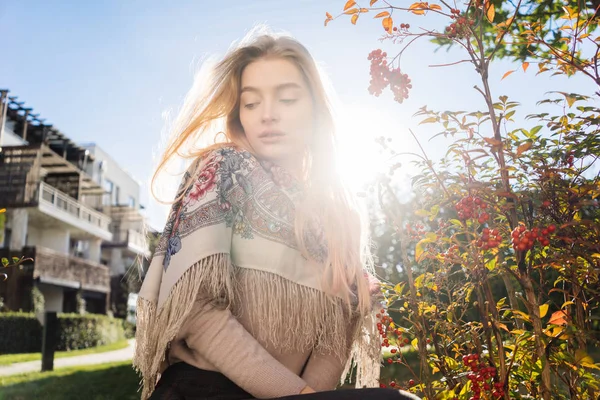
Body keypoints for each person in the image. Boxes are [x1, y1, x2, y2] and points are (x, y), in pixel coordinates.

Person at [133, 27, 420, 400]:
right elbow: (198, 312)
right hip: (204, 389)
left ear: (315, 108)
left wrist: (307, 394)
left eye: (287, 99)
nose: (267, 115)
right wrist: (298, 394)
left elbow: (332, 338)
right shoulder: (222, 170)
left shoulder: (338, 214)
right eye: (251, 103)